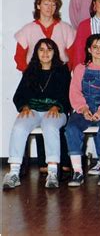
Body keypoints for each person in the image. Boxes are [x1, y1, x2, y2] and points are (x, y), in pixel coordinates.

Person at [3, 39, 71, 189]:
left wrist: (57, 106)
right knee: (20, 126)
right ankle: (14, 172)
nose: (45, 53)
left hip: (55, 111)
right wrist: (24, 106)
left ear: (55, 52)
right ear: (36, 53)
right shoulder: (30, 71)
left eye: (49, 49)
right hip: (34, 110)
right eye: (41, 49)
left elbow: (67, 95)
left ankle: (52, 173)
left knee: (50, 126)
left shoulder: (62, 71)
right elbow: (19, 95)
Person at [66, 34, 100, 187]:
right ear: (89, 49)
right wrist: (83, 109)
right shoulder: (80, 68)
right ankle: (77, 171)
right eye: (95, 47)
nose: (98, 50)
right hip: (84, 107)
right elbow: (75, 92)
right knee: (71, 128)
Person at [15, 0, 75, 71]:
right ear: (38, 6)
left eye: (53, 5)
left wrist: (65, 74)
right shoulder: (27, 30)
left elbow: (73, 55)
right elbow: (19, 57)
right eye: (46, 4)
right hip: (34, 74)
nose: (49, 8)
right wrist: (28, 73)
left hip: (60, 74)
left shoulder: (66, 28)